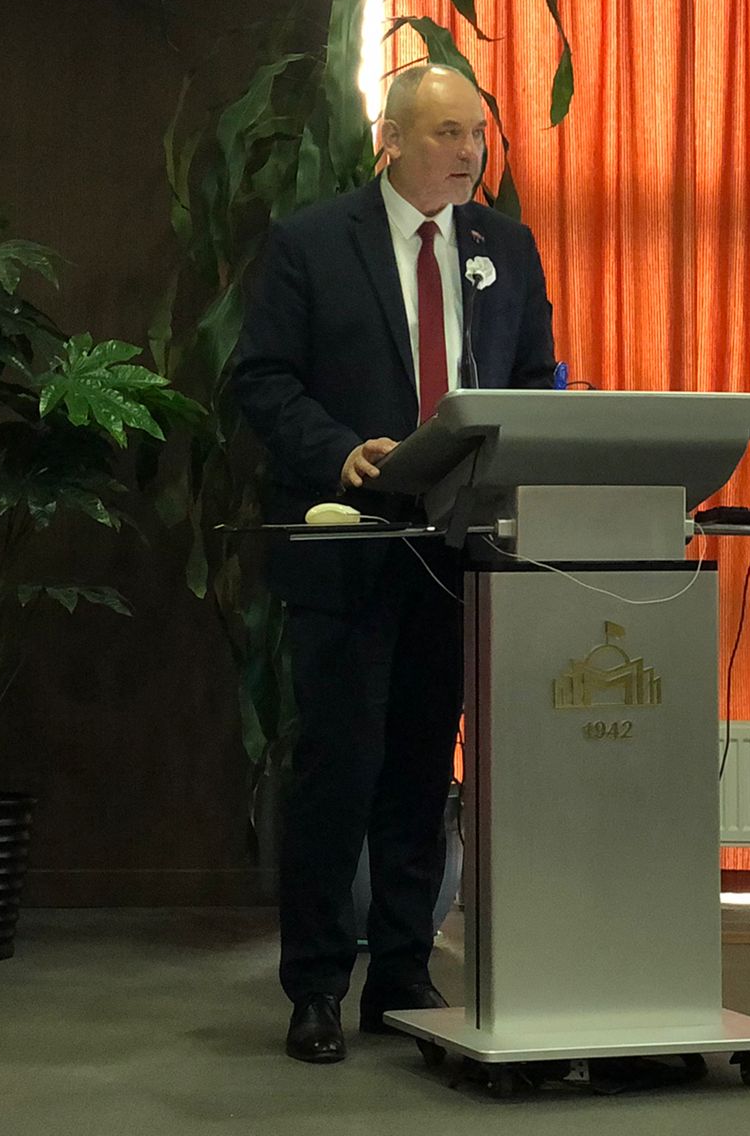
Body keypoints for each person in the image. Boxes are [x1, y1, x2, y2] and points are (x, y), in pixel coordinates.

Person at [230, 62, 557, 1064]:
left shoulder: (504, 246)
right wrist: (339, 449)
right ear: (392, 139)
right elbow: (260, 378)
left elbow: (531, 379)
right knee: (339, 769)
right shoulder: (312, 242)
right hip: (347, 544)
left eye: (476, 135)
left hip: (455, 551)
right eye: (448, 134)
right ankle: (317, 985)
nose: (469, 153)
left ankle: (404, 974)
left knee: (420, 770)